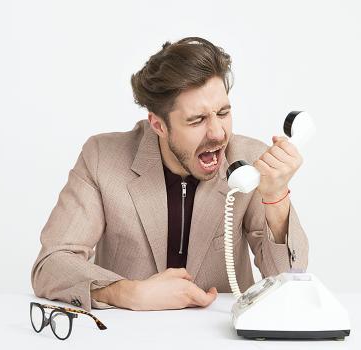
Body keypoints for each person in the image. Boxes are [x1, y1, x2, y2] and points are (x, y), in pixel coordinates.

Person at [31, 37, 309, 312]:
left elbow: (289, 281)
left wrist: (276, 197)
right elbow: (51, 264)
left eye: (223, 113)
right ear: (158, 124)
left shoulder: (249, 160)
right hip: (127, 335)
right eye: (197, 120)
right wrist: (127, 293)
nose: (217, 133)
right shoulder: (102, 157)